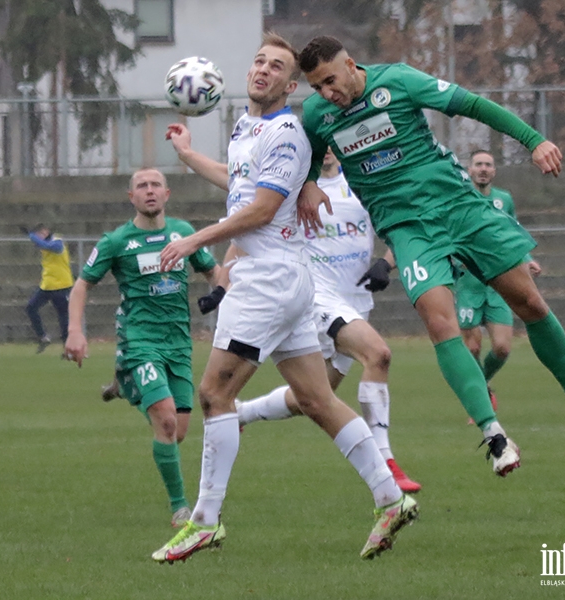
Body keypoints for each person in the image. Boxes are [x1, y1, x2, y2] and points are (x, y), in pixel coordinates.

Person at [297, 36, 565, 477]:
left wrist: (534, 140)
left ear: (351, 65)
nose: (325, 94)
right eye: (316, 87)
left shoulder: (399, 80)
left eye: (330, 81)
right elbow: (310, 158)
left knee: (528, 303)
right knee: (439, 323)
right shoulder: (318, 114)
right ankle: (494, 435)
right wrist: (310, 182)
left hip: (459, 207)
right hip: (408, 228)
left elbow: (473, 105)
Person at [151, 33, 417, 565]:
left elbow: (262, 209)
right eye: (258, 62)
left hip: (268, 281)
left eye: (276, 67)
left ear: (291, 85)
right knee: (317, 400)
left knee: (212, 395)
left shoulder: (289, 132)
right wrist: (186, 155)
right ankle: (390, 498)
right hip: (288, 280)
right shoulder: (248, 127)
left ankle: (203, 521)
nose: (263, 71)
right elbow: (240, 185)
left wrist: (194, 240)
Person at [234, 148, 421, 492]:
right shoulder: (294, 184)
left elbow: (403, 230)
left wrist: (386, 263)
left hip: (355, 300)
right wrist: (186, 154)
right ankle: (387, 463)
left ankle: (242, 412)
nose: (330, 148)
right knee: (378, 354)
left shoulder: (361, 182)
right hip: (316, 295)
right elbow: (247, 207)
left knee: (316, 397)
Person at [64, 168, 221, 529]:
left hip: (179, 344)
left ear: (168, 193)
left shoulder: (184, 233)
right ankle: (182, 509)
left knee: (178, 432)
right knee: (165, 421)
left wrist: (229, 289)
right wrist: (75, 331)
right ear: (130, 196)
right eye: (141, 187)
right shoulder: (116, 241)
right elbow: (82, 286)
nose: (149, 191)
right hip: (140, 341)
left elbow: (214, 272)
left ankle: (127, 384)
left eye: (155, 186)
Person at [456, 150, 542, 418]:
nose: (483, 169)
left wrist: (526, 258)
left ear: (494, 171)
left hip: (498, 285)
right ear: (469, 170)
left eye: (488, 165)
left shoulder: (503, 200)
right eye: (478, 164)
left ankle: (481, 385)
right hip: (468, 284)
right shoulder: (458, 197)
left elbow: (512, 232)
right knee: (471, 347)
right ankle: (479, 401)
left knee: (502, 348)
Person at [22, 223, 74, 353]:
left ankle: (67, 347)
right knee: (31, 308)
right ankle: (43, 337)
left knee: (63, 317)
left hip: (62, 285)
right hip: (47, 285)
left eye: (40, 234)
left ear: (45, 231)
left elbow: (52, 247)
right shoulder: (43, 243)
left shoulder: (57, 240)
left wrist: (31, 236)